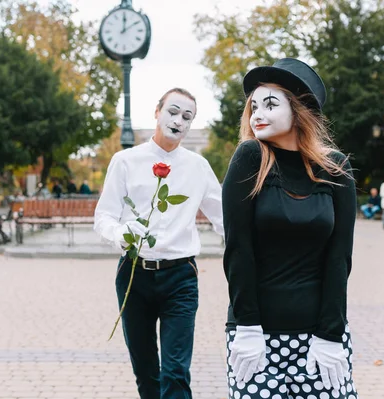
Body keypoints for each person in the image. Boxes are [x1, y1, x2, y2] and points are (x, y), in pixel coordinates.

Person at [222, 58, 358, 398]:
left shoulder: (336, 168)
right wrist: (248, 326)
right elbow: (238, 249)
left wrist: (331, 334)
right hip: (257, 335)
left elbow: (340, 258)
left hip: (318, 336)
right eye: (254, 106)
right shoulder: (250, 157)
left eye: (270, 104)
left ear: (298, 110)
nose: (257, 114)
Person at [94, 87, 224, 399]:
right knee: (146, 371)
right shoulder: (125, 161)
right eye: (173, 111)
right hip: (134, 274)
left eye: (187, 117)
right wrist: (123, 234)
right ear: (157, 111)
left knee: (175, 372)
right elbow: (104, 218)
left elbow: (225, 219)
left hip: (180, 278)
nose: (179, 120)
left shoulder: (198, 167)